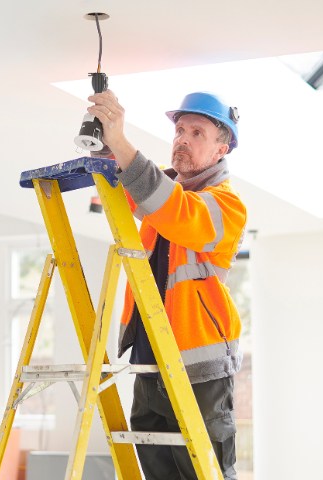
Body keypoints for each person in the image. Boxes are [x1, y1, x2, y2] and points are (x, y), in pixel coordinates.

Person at [87, 90, 246, 480]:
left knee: (203, 472)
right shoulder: (161, 192)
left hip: (197, 369)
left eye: (197, 133)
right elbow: (126, 189)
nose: (182, 139)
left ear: (220, 149)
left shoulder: (226, 206)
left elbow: (173, 210)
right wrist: (104, 141)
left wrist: (122, 143)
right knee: (159, 473)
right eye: (179, 130)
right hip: (149, 359)